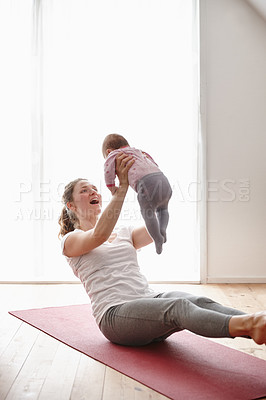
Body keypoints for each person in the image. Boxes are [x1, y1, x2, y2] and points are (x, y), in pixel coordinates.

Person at [58, 153, 266, 347]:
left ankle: (259, 325)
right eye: (84, 190)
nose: (93, 192)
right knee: (178, 307)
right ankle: (250, 325)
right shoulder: (70, 240)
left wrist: (156, 189)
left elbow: (157, 228)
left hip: (148, 301)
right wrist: (121, 188)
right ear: (71, 205)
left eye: (94, 188)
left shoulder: (124, 231)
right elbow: (98, 236)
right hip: (115, 315)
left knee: (196, 300)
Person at [102, 133, 172, 254]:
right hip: (164, 181)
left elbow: (108, 171)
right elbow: (152, 161)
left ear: (109, 151)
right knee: (163, 210)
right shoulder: (138, 151)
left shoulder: (113, 154)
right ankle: (162, 229)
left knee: (148, 214)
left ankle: (157, 239)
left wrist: (112, 188)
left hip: (147, 184)